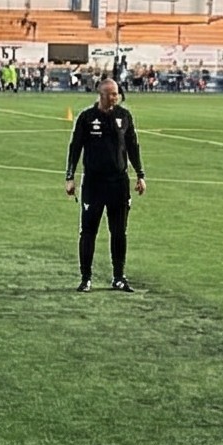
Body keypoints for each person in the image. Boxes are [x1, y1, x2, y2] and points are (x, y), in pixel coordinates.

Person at [64, 76, 145, 293]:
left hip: (119, 183)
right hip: (94, 184)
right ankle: (86, 278)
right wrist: (70, 177)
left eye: (116, 93)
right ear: (101, 95)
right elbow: (75, 147)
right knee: (88, 232)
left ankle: (119, 277)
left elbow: (133, 146)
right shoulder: (87, 118)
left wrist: (140, 174)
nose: (115, 97)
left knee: (119, 232)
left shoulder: (124, 116)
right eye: (112, 94)